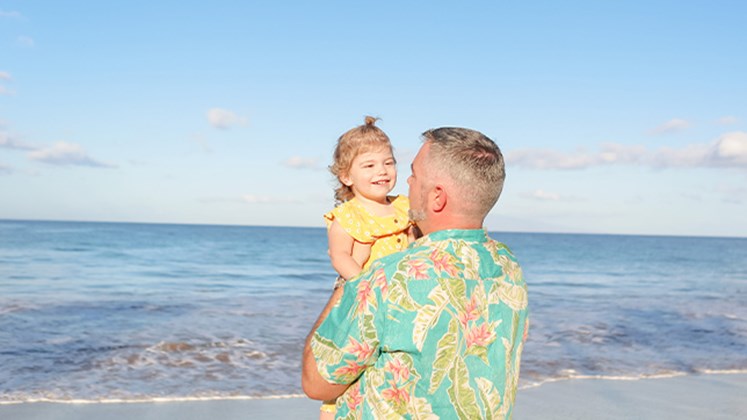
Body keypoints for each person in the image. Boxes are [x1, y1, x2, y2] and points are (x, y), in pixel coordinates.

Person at [302, 127, 529, 419]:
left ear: (437, 198)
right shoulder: (509, 266)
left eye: (414, 175)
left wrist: (347, 285)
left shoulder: (389, 277)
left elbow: (317, 383)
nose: (406, 183)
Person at [318, 116, 414, 418]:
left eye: (388, 163)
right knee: (355, 358)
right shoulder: (347, 216)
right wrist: (365, 283)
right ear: (346, 176)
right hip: (366, 296)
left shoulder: (404, 206)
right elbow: (340, 257)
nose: (382, 171)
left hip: (401, 298)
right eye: (369, 165)